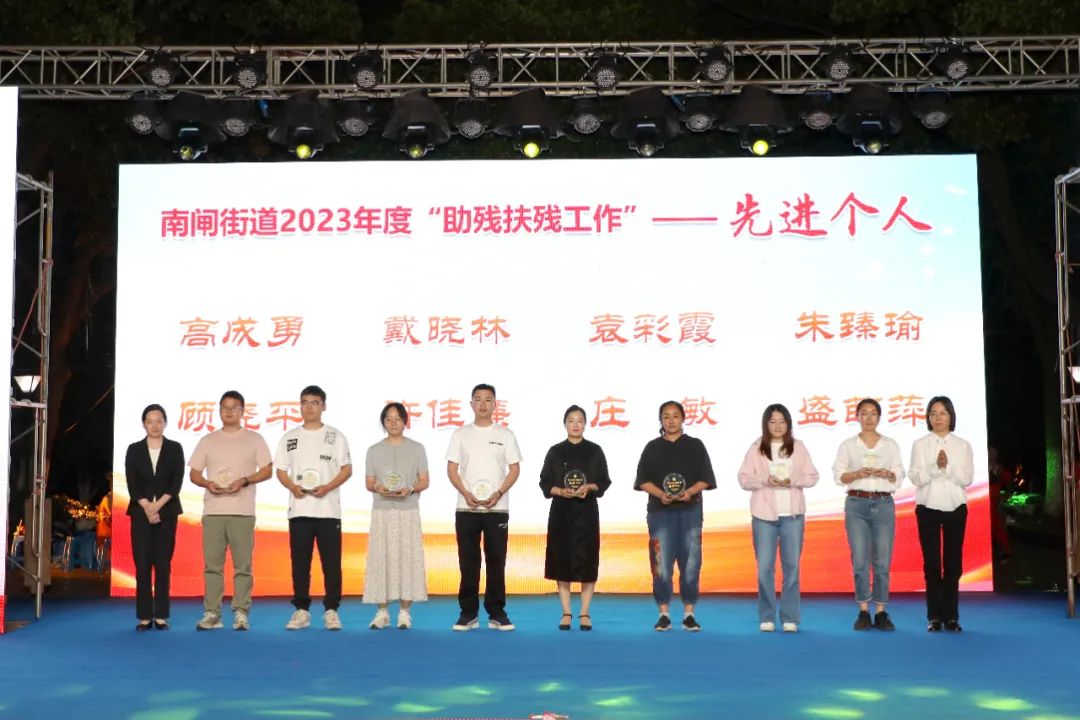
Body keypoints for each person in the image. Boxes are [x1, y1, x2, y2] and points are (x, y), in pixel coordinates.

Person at [188, 390, 273, 631]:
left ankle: (241, 612)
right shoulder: (207, 440)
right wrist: (207, 483)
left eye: (234, 407)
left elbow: (267, 470)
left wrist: (244, 480)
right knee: (212, 567)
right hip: (213, 512)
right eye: (225, 407)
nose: (229, 411)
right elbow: (194, 473)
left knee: (243, 567)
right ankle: (212, 613)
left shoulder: (254, 439)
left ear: (243, 411)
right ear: (219, 411)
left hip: (242, 512)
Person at [275, 385, 353, 631]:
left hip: (328, 511)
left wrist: (328, 487)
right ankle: (301, 611)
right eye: (304, 402)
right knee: (300, 564)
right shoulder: (290, 438)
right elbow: (280, 470)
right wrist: (292, 487)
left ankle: (331, 610)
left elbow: (347, 469)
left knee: (331, 564)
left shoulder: (335, 436)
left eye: (314, 402)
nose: (309, 407)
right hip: (299, 510)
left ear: (324, 406)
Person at [634, 400, 716, 632]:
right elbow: (642, 481)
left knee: (691, 563)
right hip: (660, 513)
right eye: (666, 417)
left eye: (675, 416)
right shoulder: (652, 448)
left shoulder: (695, 446)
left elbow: (706, 478)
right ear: (661, 420)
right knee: (660, 564)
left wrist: (690, 492)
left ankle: (689, 613)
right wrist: (661, 494)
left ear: (683, 418)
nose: (671, 421)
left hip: (690, 512)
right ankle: (664, 613)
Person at [446, 383, 522, 631]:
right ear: (471, 404)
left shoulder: (505, 435)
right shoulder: (460, 434)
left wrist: (499, 492)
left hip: (496, 509)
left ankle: (497, 613)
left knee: (496, 561)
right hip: (466, 508)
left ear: (495, 405)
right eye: (478, 399)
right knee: (468, 562)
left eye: (488, 400)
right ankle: (468, 614)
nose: (482, 404)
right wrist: (466, 493)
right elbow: (452, 469)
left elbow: (514, 469)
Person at [738, 403, 819, 633]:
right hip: (764, 516)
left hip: (792, 516)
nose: (777, 426)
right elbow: (744, 479)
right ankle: (767, 616)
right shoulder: (756, 448)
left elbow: (812, 476)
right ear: (766, 424)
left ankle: (790, 617)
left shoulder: (798, 447)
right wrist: (764, 480)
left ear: (789, 424)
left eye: (782, 422)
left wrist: (792, 481)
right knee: (765, 568)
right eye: (773, 422)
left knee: (792, 567)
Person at [832, 398, 905, 632]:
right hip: (856, 504)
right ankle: (863, 610)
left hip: (883, 504)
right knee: (860, 560)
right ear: (857, 417)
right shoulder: (848, 445)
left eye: (873, 413)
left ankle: (881, 611)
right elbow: (839, 475)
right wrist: (855, 474)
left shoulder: (890, 445)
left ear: (879, 417)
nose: (869, 417)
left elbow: (898, 475)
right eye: (864, 413)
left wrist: (887, 474)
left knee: (882, 560)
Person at [539, 405, 611, 631]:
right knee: (562, 561)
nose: (576, 424)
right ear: (565, 424)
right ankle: (566, 612)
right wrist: (560, 491)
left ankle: (585, 613)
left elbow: (604, 481)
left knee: (588, 561)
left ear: (585, 424)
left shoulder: (595, 451)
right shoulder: (555, 451)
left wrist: (589, 487)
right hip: (561, 513)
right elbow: (545, 482)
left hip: (586, 512)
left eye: (580, 420)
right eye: (571, 420)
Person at [908, 395, 974, 632]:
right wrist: (935, 468)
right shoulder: (920, 444)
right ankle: (934, 616)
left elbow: (966, 478)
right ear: (928, 418)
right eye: (933, 413)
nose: (937, 418)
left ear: (951, 416)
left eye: (942, 413)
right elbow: (915, 477)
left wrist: (948, 467)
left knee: (953, 563)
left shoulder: (962, 445)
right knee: (932, 564)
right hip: (928, 508)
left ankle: (952, 616)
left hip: (955, 508)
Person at [363, 402, 429, 630]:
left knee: (407, 559)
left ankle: (404, 612)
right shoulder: (373, 450)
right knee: (381, 559)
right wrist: (378, 487)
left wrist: (410, 488)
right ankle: (382, 612)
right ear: (383, 422)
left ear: (405, 422)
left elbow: (424, 481)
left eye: (397, 419)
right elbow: (369, 482)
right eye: (388, 419)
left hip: (408, 511)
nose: (393, 423)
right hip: (382, 512)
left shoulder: (417, 448)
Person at [124, 404, 184, 630]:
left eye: (159, 421)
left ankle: (161, 616)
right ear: (144, 424)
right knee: (142, 565)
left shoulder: (175, 448)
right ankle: (144, 616)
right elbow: (132, 483)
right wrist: (147, 507)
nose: (155, 425)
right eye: (150, 421)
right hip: (140, 513)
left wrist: (157, 506)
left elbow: (176, 482)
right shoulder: (134, 449)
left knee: (163, 564)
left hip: (167, 513)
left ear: (165, 423)